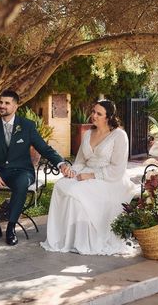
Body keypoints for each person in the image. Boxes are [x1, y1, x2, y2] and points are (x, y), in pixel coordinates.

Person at [0, 90, 70, 246]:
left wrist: (60, 163)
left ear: (15, 106)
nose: (2, 106)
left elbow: (44, 149)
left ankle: (11, 227)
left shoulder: (27, 126)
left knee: (21, 182)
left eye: (7, 103)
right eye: (1, 102)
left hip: (22, 172)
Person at [41, 99, 136, 255]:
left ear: (109, 117)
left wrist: (91, 175)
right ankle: (65, 238)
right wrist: (72, 172)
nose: (94, 115)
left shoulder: (119, 135)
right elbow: (80, 161)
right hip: (85, 172)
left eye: (99, 114)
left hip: (109, 179)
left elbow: (117, 169)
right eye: (93, 112)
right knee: (61, 185)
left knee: (77, 193)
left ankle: (84, 241)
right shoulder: (88, 134)